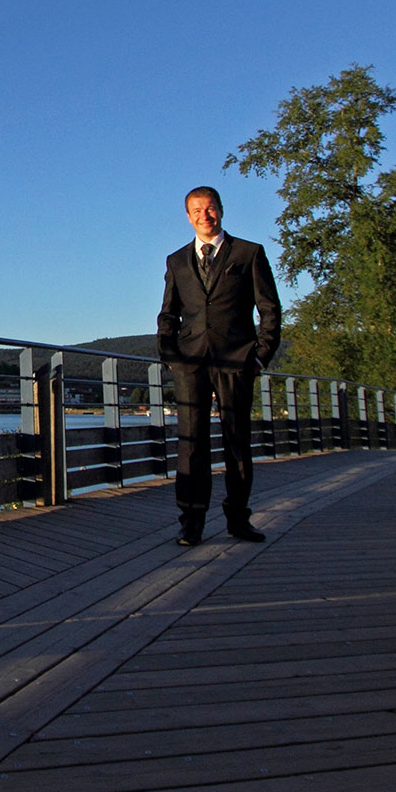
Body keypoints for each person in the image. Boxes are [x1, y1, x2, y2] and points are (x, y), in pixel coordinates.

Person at [156, 186, 281, 546]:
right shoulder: (177, 261)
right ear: (188, 216)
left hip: (237, 362)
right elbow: (168, 314)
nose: (204, 216)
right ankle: (191, 523)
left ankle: (238, 520)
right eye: (196, 211)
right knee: (191, 445)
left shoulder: (249, 253)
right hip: (190, 364)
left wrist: (260, 355)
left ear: (221, 210)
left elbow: (269, 310)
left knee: (236, 443)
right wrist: (170, 354)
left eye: (209, 209)